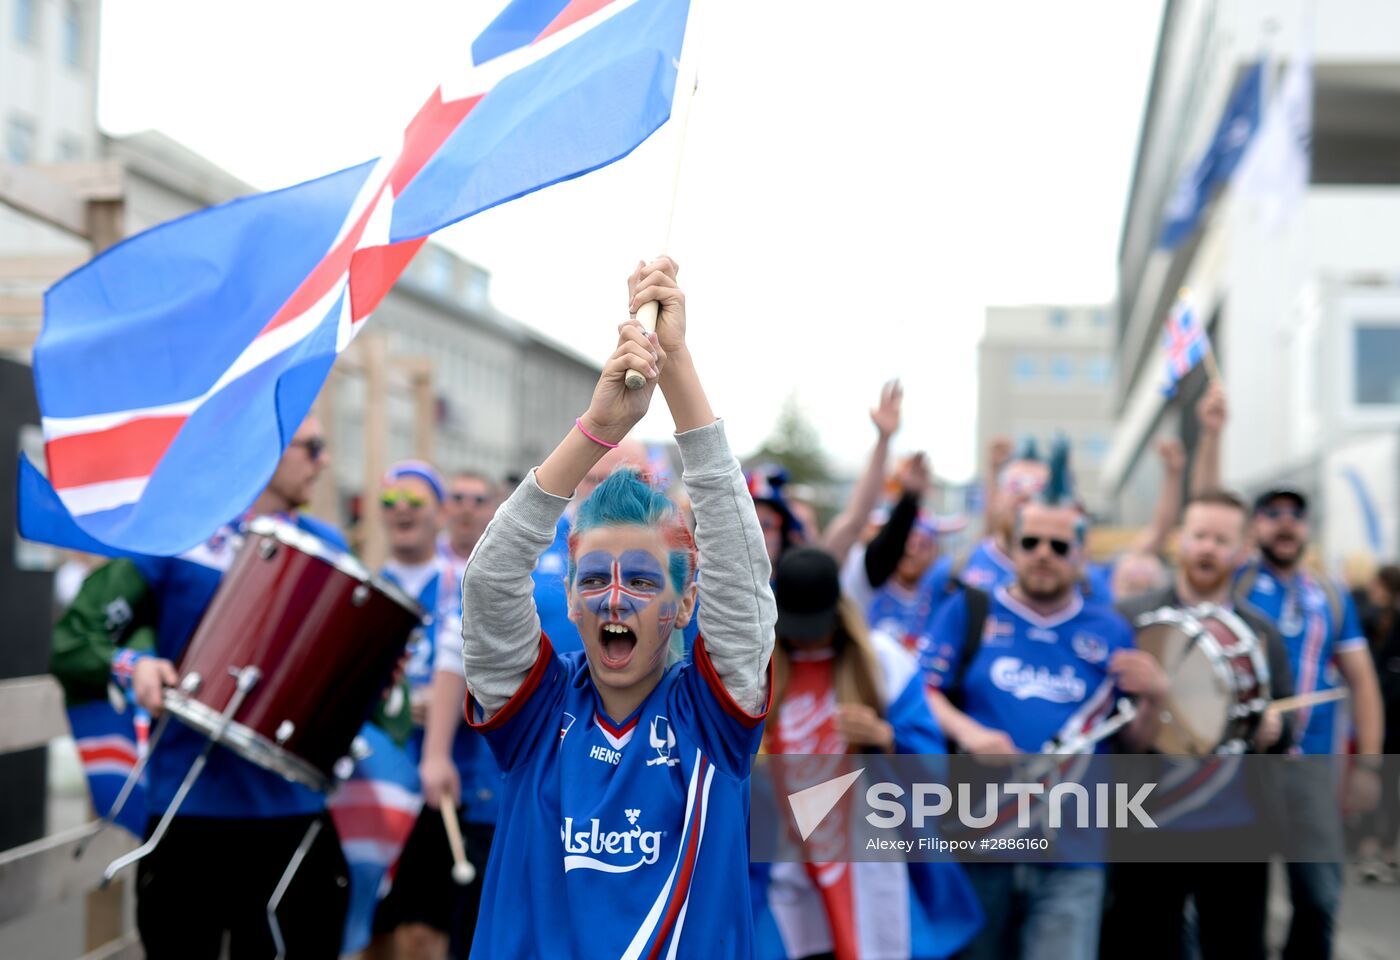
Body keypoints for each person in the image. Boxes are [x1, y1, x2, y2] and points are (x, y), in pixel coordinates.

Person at [458, 257, 775, 958]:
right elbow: (488, 584)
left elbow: (742, 573)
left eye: (641, 580)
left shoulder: (715, 716)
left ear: (684, 601)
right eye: (594, 578)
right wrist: (598, 427)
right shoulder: (535, 708)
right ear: (568, 599)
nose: (614, 597)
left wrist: (680, 367)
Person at [50, 417, 351, 960]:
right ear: (266, 445)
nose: (323, 461)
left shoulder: (327, 547)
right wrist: (133, 664)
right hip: (190, 811)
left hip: (293, 812)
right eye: (313, 447)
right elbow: (76, 638)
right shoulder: (179, 535)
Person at [920, 496, 1168, 960]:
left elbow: (1133, 741)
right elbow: (922, 693)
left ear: (1080, 555)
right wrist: (969, 733)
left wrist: (1155, 697)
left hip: (1073, 854)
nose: (1044, 553)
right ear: (1011, 548)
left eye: (1059, 545)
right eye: (1030, 541)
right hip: (979, 841)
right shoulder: (968, 611)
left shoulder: (1113, 629)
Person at [751, 547, 982, 960]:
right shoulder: (755, 665)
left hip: (871, 867)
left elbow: (935, 773)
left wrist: (885, 737)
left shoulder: (883, 660)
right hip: (781, 872)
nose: (805, 635)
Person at [1100, 490, 1294, 960]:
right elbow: (1104, 723)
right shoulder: (1130, 618)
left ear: (1243, 550)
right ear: (1180, 541)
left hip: (1237, 830)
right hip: (1146, 828)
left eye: (1221, 539)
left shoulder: (1261, 631)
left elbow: (1286, 717)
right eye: (1199, 535)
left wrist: (1274, 731)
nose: (1207, 548)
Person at [1236, 486, 1384, 959]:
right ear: (1254, 525)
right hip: (1245, 771)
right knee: (1240, 908)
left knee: (1319, 898)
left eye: (1295, 515)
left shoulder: (1329, 596)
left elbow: (1362, 683)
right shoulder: (1234, 585)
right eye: (1272, 513)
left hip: (1314, 771)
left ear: (1307, 527)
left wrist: (1369, 767)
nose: (1285, 523)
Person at [370, 460, 487, 960]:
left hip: (446, 782)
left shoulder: (467, 582)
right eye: (390, 503)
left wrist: (446, 704)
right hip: (375, 780)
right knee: (370, 933)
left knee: (425, 934)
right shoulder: (366, 586)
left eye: (414, 502)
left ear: (438, 512)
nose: (401, 512)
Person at [532, 436, 649, 653]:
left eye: (631, 480)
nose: (614, 493)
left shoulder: (677, 554)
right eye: (599, 480)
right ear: (578, 480)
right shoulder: (534, 542)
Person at [1357, 564, 1400, 883]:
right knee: (1381, 785)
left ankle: (1387, 851)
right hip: (1382, 719)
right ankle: (1377, 849)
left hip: (1394, 718)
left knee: (1390, 788)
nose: (1372, 589)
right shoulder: (1375, 620)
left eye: (1378, 584)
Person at [438, 471, 498, 578]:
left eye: (479, 500)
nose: (467, 509)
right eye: (458, 498)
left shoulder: (503, 563)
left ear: (492, 509)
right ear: (445, 506)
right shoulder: (420, 553)